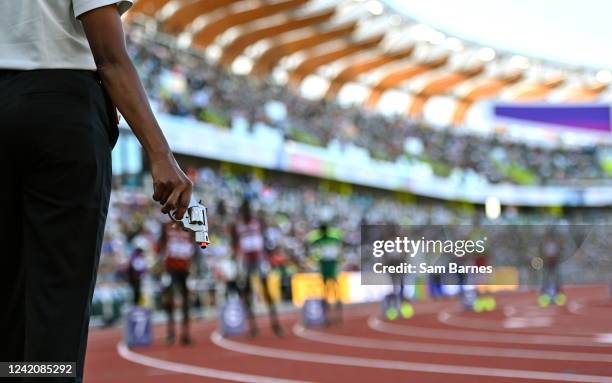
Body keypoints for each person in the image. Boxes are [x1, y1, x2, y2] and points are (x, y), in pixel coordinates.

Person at [0, 2, 194, 381]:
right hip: (61, 108)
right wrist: (159, 153)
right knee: (57, 305)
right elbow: (108, 55)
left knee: (7, 305)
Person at [231, 199, 283, 337]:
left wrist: (269, 257)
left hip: (259, 260)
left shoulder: (258, 221)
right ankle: (253, 327)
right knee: (247, 293)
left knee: (266, 291)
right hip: (246, 261)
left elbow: (266, 240)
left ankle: (275, 323)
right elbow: (234, 245)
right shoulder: (237, 226)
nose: (247, 214)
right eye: (244, 211)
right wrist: (237, 264)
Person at [159, 221, 197, 345]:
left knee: (186, 303)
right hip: (170, 269)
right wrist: (162, 267)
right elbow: (161, 246)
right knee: (169, 302)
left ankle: (185, 335)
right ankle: (170, 333)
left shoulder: (190, 228)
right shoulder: (167, 226)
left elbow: (193, 250)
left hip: (185, 270)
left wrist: (192, 269)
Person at [305, 223, 344, 324]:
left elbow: (340, 239)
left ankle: (337, 311)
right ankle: (329, 313)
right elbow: (309, 242)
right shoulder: (320, 239)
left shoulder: (331, 237)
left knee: (334, 287)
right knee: (327, 288)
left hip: (331, 264)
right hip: (325, 264)